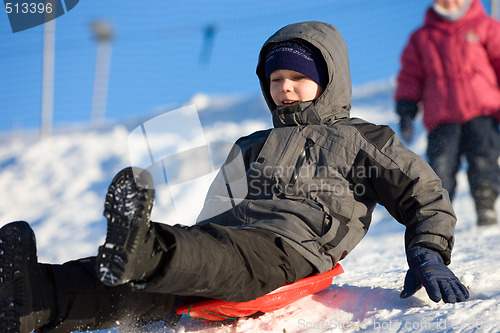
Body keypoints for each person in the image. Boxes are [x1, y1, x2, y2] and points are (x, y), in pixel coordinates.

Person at [0, 21, 469, 333]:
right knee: (136, 278)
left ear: (328, 79)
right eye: (274, 79)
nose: (283, 88)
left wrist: (427, 252)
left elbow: (424, 194)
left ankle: (146, 249)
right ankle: (36, 293)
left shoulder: (361, 139)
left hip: (292, 250)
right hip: (224, 247)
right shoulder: (250, 145)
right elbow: (216, 216)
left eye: (297, 78)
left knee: (181, 255)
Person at [394, 0, 500, 226]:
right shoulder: (422, 37)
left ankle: (486, 204)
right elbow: (411, 75)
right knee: (441, 166)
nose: (451, 3)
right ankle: (439, 215)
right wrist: (406, 108)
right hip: (441, 116)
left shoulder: (486, 26)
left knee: (484, 158)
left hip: (482, 110)